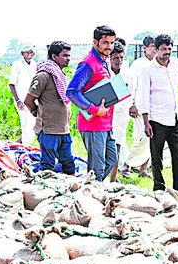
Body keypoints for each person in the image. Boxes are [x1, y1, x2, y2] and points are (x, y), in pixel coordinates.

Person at [66, 25, 116, 182]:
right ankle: (91, 198)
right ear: (95, 42)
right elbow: (72, 92)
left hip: (106, 123)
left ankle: (93, 188)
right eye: (105, 42)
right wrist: (94, 110)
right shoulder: (88, 63)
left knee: (112, 159)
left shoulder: (103, 61)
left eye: (112, 42)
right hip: (93, 124)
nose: (109, 46)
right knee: (97, 168)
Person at [137, 34, 178, 193]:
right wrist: (146, 122)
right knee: (157, 158)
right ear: (156, 49)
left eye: (169, 49)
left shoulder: (175, 65)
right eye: (163, 49)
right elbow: (143, 96)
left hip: (175, 117)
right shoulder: (148, 70)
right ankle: (159, 189)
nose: (167, 52)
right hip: (157, 119)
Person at [24, 41, 75, 174]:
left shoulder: (61, 76)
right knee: (47, 166)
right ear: (54, 57)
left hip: (64, 130)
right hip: (49, 131)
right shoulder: (43, 76)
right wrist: (37, 113)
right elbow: (28, 100)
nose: (68, 58)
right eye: (65, 55)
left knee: (69, 164)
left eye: (69, 55)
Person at [120, 35, 156, 178]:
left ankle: (143, 169)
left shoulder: (157, 64)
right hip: (139, 106)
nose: (154, 49)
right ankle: (126, 166)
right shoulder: (138, 64)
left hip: (153, 106)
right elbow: (132, 85)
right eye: (152, 46)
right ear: (145, 48)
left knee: (151, 138)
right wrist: (132, 104)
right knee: (141, 137)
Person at [108, 41, 134, 182]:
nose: (118, 61)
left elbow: (132, 92)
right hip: (105, 113)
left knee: (117, 145)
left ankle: (113, 177)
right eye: (115, 58)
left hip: (121, 114)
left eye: (121, 58)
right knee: (104, 146)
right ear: (110, 58)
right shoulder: (105, 72)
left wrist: (132, 105)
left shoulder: (127, 73)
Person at [9, 44, 38, 145]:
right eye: (27, 52)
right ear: (22, 53)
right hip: (21, 99)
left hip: (33, 99)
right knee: (26, 124)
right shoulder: (17, 64)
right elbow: (11, 84)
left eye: (31, 52)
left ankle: (19, 144)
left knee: (33, 124)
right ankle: (25, 149)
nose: (29, 54)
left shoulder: (35, 65)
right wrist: (17, 100)